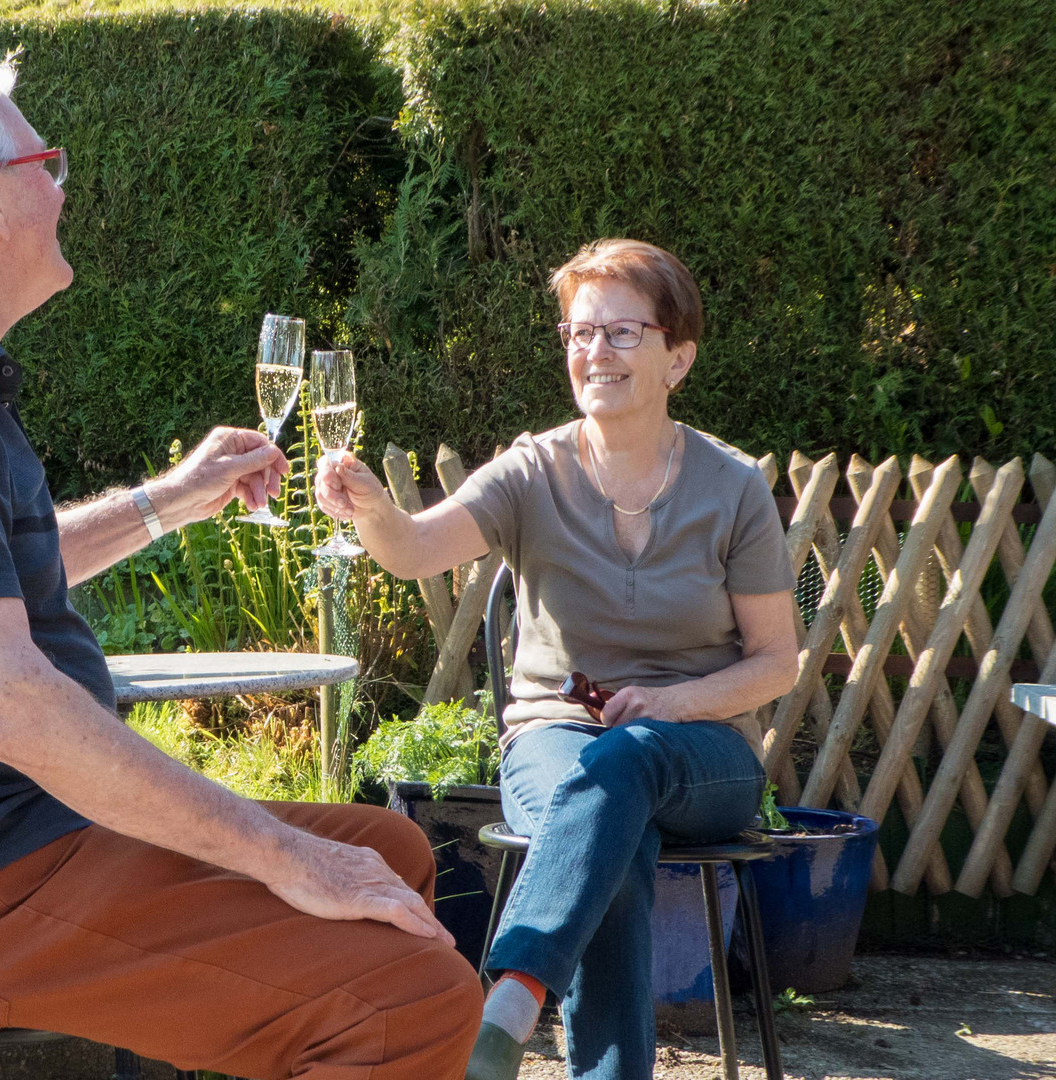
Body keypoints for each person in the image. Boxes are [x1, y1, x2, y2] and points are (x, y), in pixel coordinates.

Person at [0, 55, 482, 1078]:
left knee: (389, 854)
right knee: (410, 1000)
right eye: (48, 161)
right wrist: (279, 854)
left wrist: (171, 499)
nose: (65, 185)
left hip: (1, 845)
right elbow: (9, 706)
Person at [316, 238, 799, 1080]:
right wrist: (370, 507)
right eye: (579, 334)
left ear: (676, 357)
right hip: (555, 738)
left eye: (620, 332)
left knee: (627, 766)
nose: (593, 352)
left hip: (702, 751)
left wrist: (669, 704)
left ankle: (509, 995)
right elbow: (414, 550)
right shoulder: (532, 471)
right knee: (611, 830)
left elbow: (774, 665)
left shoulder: (731, 487)